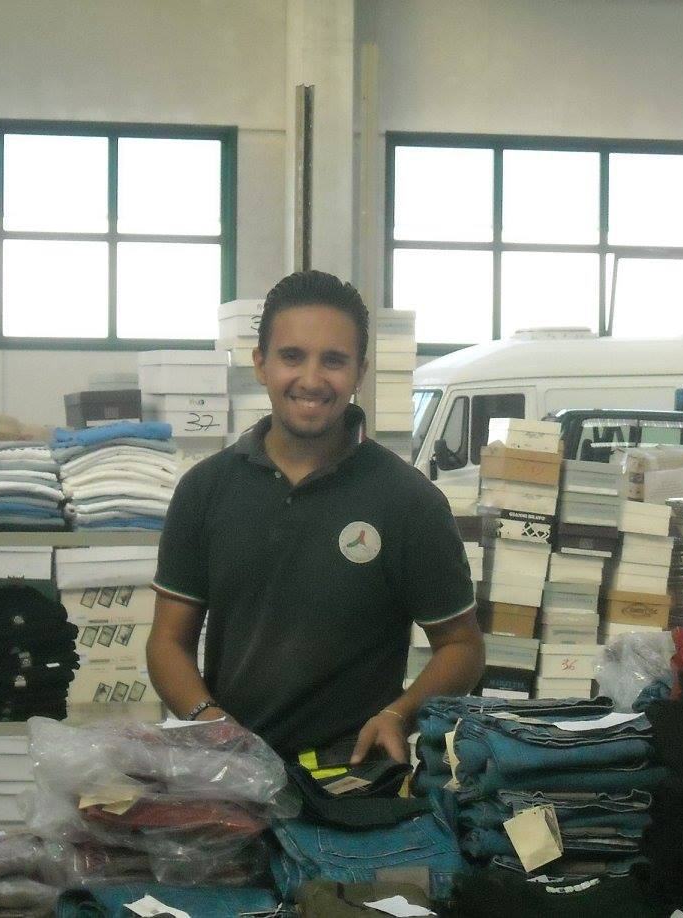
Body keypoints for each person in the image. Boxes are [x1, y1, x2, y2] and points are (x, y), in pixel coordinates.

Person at [147, 270, 486, 765]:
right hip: (233, 773)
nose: (311, 380)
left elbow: (462, 646)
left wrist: (399, 715)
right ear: (260, 364)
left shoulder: (409, 502)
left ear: (359, 372)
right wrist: (210, 722)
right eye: (292, 356)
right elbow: (167, 642)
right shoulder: (205, 490)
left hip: (354, 781)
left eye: (333, 360)